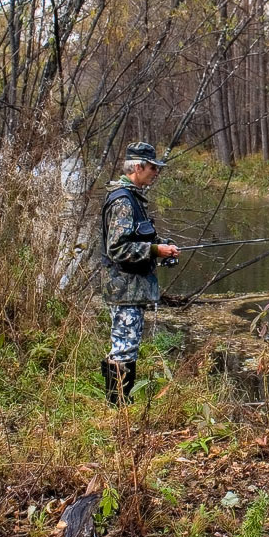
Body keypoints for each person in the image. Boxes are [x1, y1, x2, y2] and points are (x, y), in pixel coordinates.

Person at [99, 142, 180, 405]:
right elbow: (118, 249)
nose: (156, 172)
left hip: (130, 288)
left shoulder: (133, 198)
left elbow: (139, 237)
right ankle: (117, 407)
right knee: (123, 349)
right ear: (137, 167)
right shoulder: (123, 201)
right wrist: (156, 250)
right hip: (124, 289)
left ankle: (120, 405)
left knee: (127, 346)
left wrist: (161, 248)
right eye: (152, 167)